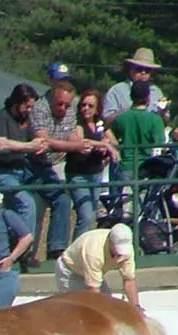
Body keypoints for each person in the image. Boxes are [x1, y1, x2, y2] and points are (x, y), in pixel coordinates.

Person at [0, 83, 47, 255]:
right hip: (4, 173)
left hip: (24, 172)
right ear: (17, 102)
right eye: (27, 106)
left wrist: (41, 145)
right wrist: (29, 146)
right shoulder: (1, 117)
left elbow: (34, 141)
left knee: (51, 196)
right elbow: (2, 143)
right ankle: (24, 252)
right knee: (26, 204)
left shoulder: (25, 121)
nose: (30, 110)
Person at [28, 79, 79, 262]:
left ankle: (56, 250)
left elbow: (73, 137)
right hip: (31, 164)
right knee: (34, 206)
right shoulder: (40, 108)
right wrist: (75, 146)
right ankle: (26, 254)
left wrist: (82, 144)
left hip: (54, 166)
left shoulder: (70, 111)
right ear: (52, 97)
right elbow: (45, 141)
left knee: (64, 200)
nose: (63, 108)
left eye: (68, 104)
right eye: (60, 104)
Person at [66, 90, 118, 241]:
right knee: (86, 215)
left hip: (95, 173)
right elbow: (82, 142)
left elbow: (114, 141)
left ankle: (84, 247)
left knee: (92, 213)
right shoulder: (78, 123)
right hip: (78, 174)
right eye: (83, 105)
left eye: (90, 105)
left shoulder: (99, 123)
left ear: (97, 108)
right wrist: (103, 145)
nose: (86, 108)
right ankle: (76, 251)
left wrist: (107, 143)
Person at [110, 81, 166, 218]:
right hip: (147, 168)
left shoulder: (121, 119)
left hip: (126, 166)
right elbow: (160, 144)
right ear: (148, 98)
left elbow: (110, 134)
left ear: (131, 96)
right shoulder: (155, 119)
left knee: (126, 211)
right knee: (145, 211)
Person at [55, 222, 139, 304]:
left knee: (109, 305)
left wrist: (136, 307)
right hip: (70, 270)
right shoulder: (94, 252)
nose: (120, 254)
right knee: (77, 307)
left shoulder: (128, 251)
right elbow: (94, 290)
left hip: (90, 272)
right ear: (110, 242)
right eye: (117, 249)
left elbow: (129, 280)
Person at [103, 48, 165, 123]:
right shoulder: (117, 91)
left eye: (147, 70)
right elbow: (107, 119)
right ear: (131, 69)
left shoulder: (157, 93)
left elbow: (165, 120)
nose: (143, 72)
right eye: (139, 69)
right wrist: (130, 113)